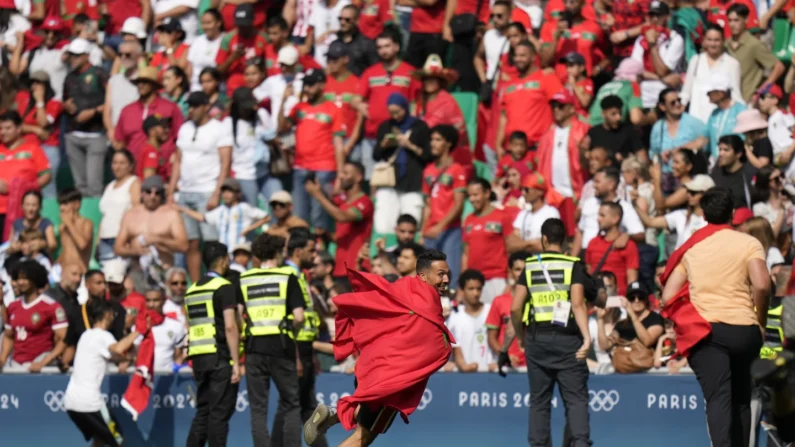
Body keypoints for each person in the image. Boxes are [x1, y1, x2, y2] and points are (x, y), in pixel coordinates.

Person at [303, 249, 454, 446]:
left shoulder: (402, 288)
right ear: (423, 276)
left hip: (370, 368)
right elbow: (434, 342)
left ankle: (332, 415)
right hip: (390, 380)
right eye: (441, 274)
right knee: (363, 438)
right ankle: (333, 414)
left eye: (447, 273)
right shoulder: (429, 302)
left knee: (365, 422)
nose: (446, 279)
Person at [660, 187, 769, 446]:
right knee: (742, 398)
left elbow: (667, 296)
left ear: (703, 213)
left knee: (718, 399)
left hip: (708, 332)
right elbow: (763, 285)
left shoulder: (693, 248)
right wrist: (760, 322)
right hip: (745, 330)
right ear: (732, 213)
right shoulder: (748, 242)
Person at [510, 218, 592, 447]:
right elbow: (577, 304)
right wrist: (587, 338)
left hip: (537, 339)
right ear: (564, 239)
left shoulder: (530, 265)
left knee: (539, 402)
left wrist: (520, 337)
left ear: (544, 239)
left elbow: (516, 307)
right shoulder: (572, 264)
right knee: (575, 400)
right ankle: (581, 443)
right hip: (568, 340)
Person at [240, 233, 306, 447]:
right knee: (291, 404)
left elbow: (239, 317)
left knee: (258, 409)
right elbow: (299, 317)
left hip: (253, 347)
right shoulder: (288, 277)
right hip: (281, 346)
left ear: (257, 255)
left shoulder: (244, 279)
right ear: (279, 252)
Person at [168, 91, 233, 282]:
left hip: (207, 190)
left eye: (196, 105)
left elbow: (225, 162)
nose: (193, 109)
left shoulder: (219, 128)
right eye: (191, 106)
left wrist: (217, 193)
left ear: (206, 106)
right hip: (186, 191)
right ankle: (198, 286)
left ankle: (218, 281)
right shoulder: (185, 128)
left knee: (212, 242)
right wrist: (171, 191)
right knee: (191, 243)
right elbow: (178, 161)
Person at [63, 299, 142, 447]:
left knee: (100, 439)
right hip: (90, 404)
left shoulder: (86, 336)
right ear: (107, 314)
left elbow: (115, 356)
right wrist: (139, 330)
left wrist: (130, 358)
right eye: (114, 314)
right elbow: (118, 349)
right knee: (118, 441)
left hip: (71, 404)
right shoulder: (103, 336)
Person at [185, 242, 241, 447]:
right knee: (219, 415)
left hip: (199, 356)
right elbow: (230, 327)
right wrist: (236, 361)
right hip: (219, 356)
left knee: (203, 411)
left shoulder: (192, 290)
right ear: (224, 261)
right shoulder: (224, 287)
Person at [355, 29, 417, 179]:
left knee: (397, 178)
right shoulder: (370, 73)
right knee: (372, 179)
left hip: (398, 136)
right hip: (372, 136)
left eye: (387, 46)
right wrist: (361, 107)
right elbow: (356, 99)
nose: (383, 51)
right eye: (380, 47)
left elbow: (415, 103)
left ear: (396, 47)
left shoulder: (410, 72)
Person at [114, 175, 188, 291]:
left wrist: (159, 239)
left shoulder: (171, 214)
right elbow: (118, 248)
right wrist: (136, 251)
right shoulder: (130, 215)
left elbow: (183, 245)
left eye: (157, 193)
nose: (152, 196)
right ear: (142, 193)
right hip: (138, 272)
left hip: (164, 272)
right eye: (148, 192)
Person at [372, 92, 431, 235]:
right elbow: (376, 155)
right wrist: (384, 145)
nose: (395, 116)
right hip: (389, 180)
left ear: (405, 108)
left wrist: (410, 146)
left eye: (398, 111)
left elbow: (428, 156)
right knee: (384, 223)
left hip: (412, 180)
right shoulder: (385, 126)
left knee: (411, 221)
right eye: (391, 112)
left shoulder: (420, 127)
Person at [305, 161, 374, 280]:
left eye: (346, 173)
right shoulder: (342, 202)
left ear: (359, 177)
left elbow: (342, 217)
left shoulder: (364, 201)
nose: (341, 176)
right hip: (339, 269)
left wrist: (317, 194)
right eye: (341, 173)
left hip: (357, 269)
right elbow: (341, 237)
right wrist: (326, 235)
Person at [496, 41, 564, 154]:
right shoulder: (509, 84)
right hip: (511, 150)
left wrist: (549, 138)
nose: (518, 59)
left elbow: (561, 108)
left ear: (533, 57)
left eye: (522, 55)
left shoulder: (547, 78)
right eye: (516, 55)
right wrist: (498, 145)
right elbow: (504, 116)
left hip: (537, 148)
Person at [0, 260, 67, 372]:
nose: (20, 282)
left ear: (35, 279)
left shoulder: (51, 306)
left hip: (39, 367)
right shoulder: (13, 306)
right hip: (16, 366)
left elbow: (63, 339)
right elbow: (9, 336)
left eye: (25, 279)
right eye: (18, 278)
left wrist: (44, 362)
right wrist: (2, 359)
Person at [421, 124, 467, 287]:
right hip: (430, 231)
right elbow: (427, 204)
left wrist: (440, 226)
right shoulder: (428, 170)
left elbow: (459, 203)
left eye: (438, 140)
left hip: (450, 230)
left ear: (448, 143)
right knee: (429, 276)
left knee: (449, 273)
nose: (433, 143)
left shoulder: (457, 170)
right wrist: (423, 230)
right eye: (432, 139)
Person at [62, 38, 108, 198]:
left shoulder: (100, 73)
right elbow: (65, 99)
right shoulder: (69, 77)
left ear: (86, 56)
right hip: (74, 134)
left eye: (76, 55)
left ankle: (95, 220)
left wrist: (94, 112)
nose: (72, 59)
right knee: (79, 185)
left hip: (95, 134)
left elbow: (111, 100)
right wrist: (66, 105)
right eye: (71, 55)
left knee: (94, 185)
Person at [175, 178, 270, 249]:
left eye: (229, 191)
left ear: (238, 194)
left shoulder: (244, 208)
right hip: (223, 251)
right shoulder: (220, 210)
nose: (226, 195)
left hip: (240, 250)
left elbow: (266, 217)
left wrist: (249, 229)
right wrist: (184, 210)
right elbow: (203, 217)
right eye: (224, 192)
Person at [0, 111, 51, 241]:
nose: (3, 132)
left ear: (19, 129)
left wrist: (24, 189)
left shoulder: (33, 149)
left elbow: (46, 176)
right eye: (1, 128)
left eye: (8, 128)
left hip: (22, 212)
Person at [114, 65, 184, 159]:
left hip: (162, 166)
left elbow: (180, 137)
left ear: (154, 85)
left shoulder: (170, 108)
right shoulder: (127, 110)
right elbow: (120, 141)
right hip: (134, 166)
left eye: (145, 82)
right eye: (138, 82)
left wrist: (175, 157)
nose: (140, 85)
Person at [680, 24, 743, 124]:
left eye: (716, 40)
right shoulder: (696, 60)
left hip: (718, 120)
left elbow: (736, 94)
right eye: (709, 40)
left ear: (723, 41)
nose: (713, 44)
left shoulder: (732, 63)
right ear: (704, 40)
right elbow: (686, 91)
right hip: (695, 118)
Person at [62, 270, 127, 368]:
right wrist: (64, 363)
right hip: (85, 365)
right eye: (98, 283)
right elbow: (71, 343)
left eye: (104, 283)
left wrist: (125, 360)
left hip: (111, 365)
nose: (103, 287)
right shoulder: (77, 311)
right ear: (87, 285)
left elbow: (122, 338)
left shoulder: (116, 309)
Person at [536, 90, 590, 203]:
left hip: (576, 194)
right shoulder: (547, 134)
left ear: (571, 109)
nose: (556, 110)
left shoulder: (583, 130)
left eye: (560, 106)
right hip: (553, 195)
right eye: (553, 106)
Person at [462, 178, 511, 303]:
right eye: (470, 195)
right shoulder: (468, 220)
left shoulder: (502, 216)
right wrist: (462, 283)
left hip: (497, 279)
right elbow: (466, 254)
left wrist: (511, 282)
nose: (472, 199)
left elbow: (510, 249)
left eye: (475, 195)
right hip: (475, 282)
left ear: (487, 193)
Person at [724, 4, 785, 103]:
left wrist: (761, 91)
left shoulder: (754, 44)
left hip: (747, 100)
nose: (732, 24)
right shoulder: (725, 44)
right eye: (730, 20)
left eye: (736, 20)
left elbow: (779, 67)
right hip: (729, 101)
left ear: (746, 20)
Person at [637, 174, 713, 249]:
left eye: (693, 193)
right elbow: (650, 222)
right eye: (688, 191)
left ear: (706, 195)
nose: (689, 195)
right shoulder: (681, 215)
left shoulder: (713, 221)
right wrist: (635, 203)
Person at [649, 89, 705, 189]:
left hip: (688, 178)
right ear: (662, 106)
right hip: (667, 178)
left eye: (679, 100)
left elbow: (706, 141)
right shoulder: (658, 127)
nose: (678, 104)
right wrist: (659, 156)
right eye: (672, 102)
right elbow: (653, 153)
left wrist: (682, 148)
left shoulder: (693, 123)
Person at [585, 202, 640, 295]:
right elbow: (588, 274)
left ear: (615, 219)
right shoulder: (593, 243)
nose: (598, 219)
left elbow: (632, 280)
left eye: (602, 215)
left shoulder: (628, 245)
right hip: (596, 299)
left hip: (618, 299)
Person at [445, 269, 495, 372]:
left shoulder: (491, 310)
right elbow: (455, 346)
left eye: (478, 289)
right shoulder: (454, 316)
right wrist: (463, 365)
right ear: (462, 290)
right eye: (471, 289)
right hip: (463, 375)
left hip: (489, 373)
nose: (475, 293)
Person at [488, 252, 529, 372]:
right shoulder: (499, 301)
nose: (521, 273)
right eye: (517, 269)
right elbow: (491, 338)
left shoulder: (536, 300)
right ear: (510, 271)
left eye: (525, 269)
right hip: (507, 366)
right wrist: (505, 355)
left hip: (532, 364)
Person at [98, 150, 140, 263]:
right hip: (105, 238)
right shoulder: (109, 186)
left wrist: (129, 239)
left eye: (122, 163)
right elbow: (104, 216)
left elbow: (136, 212)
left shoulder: (134, 183)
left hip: (122, 239)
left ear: (130, 166)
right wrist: (98, 241)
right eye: (115, 162)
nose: (117, 167)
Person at [508, 173, 562, 253]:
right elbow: (511, 244)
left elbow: (548, 245)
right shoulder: (523, 214)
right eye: (521, 189)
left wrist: (522, 245)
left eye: (526, 190)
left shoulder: (551, 213)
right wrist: (530, 243)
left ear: (539, 192)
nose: (523, 193)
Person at [586, 95, 646, 162]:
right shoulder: (594, 133)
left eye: (620, 113)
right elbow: (585, 159)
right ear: (603, 114)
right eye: (613, 114)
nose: (618, 118)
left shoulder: (629, 131)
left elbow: (642, 157)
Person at [144, 288, 187, 371]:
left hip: (167, 379)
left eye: (155, 300)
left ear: (164, 301)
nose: (151, 304)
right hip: (144, 378)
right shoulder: (137, 328)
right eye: (148, 300)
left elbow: (178, 355)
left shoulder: (176, 326)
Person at [55, 189, 94, 275]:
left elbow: (82, 245)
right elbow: (66, 251)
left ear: (76, 205)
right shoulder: (62, 227)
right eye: (60, 204)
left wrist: (69, 224)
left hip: (80, 274)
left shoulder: (86, 223)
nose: (61, 208)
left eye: (65, 204)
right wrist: (54, 267)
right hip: (64, 273)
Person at [710, 134, 756, 209]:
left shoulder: (749, 175)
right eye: (720, 149)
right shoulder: (716, 173)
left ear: (738, 154)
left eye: (726, 150)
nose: (721, 154)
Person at [7, 190, 57, 257]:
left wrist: (43, 244)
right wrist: (14, 247)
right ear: (22, 206)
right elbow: (9, 245)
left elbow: (53, 245)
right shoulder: (17, 224)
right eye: (27, 205)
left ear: (40, 207)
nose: (30, 209)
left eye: (34, 205)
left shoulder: (46, 223)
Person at [187, 9, 224, 92]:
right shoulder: (197, 41)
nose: (205, 27)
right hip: (196, 88)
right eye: (203, 23)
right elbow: (190, 67)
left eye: (209, 23)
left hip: (216, 89)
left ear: (218, 23)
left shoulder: (224, 40)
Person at [336, 5, 378, 76]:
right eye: (340, 19)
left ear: (356, 21)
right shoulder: (336, 43)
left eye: (347, 20)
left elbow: (376, 70)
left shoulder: (367, 44)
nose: (342, 23)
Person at [752, 165, 789, 236]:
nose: (781, 180)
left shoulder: (790, 192)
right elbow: (772, 236)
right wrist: (781, 210)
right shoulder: (759, 208)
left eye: (782, 175)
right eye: (776, 179)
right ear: (767, 183)